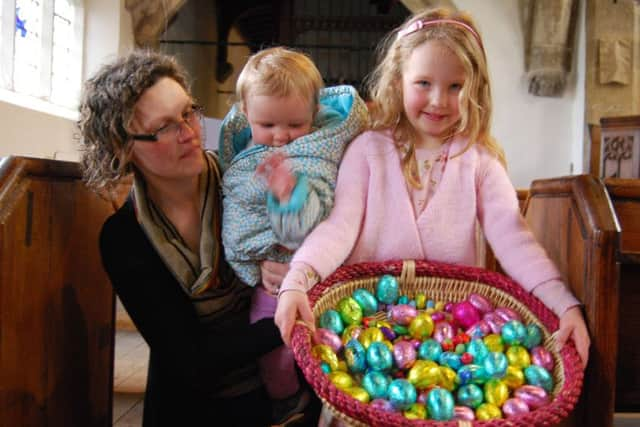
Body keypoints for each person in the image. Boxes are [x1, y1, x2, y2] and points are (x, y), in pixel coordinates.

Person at [274, 7, 591, 372]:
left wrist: (563, 303)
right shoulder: (368, 150)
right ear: (398, 81)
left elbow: (514, 238)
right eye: (423, 83)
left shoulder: (481, 162)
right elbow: (339, 226)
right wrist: (298, 279)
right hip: (367, 330)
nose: (439, 100)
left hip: (450, 342)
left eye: (455, 86)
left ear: (475, 90)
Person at [78, 50, 292, 427]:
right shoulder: (125, 237)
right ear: (123, 148)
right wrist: (290, 317)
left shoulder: (243, 177)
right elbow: (190, 361)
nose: (190, 132)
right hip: (194, 408)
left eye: (188, 112)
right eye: (164, 127)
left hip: (282, 386)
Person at [218, 46, 368, 424]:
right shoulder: (240, 147)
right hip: (264, 277)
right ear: (245, 114)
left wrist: (288, 195)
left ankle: (303, 402)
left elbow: (309, 224)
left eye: (295, 124)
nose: (282, 137)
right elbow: (234, 197)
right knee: (268, 350)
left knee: (304, 348)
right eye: (267, 125)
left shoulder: (316, 151)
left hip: (305, 269)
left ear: (314, 115)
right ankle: (286, 401)